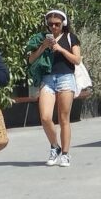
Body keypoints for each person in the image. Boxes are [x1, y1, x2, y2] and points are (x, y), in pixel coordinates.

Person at [25, 10, 81, 167]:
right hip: (48, 79)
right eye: (50, 24)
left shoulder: (71, 38)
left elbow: (77, 60)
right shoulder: (42, 39)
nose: (54, 27)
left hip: (65, 77)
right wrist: (43, 46)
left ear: (63, 23)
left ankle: (65, 154)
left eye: (57, 24)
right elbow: (31, 59)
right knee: (45, 117)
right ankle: (54, 146)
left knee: (64, 119)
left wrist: (61, 49)